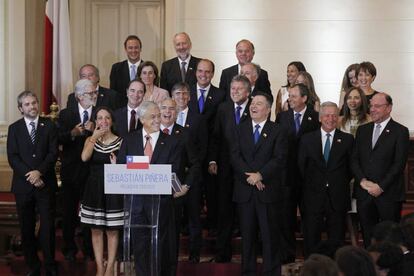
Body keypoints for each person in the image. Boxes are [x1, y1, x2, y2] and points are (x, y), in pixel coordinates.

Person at [117, 101, 183, 276]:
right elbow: (123, 165)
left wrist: (145, 170)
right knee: (140, 245)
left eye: (158, 116)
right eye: (153, 117)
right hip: (136, 202)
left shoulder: (172, 142)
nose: (157, 120)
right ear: (142, 119)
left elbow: (174, 170)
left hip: (161, 203)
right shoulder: (130, 139)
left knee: (161, 244)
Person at [231, 92, 287, 275]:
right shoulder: (240, 129)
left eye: (259, 103)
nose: (253, 106)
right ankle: (248, 272)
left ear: (268, 109)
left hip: (268, 191)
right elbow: (235, 156)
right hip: (245, 191)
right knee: (247, 237)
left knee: (269, 236)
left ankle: (271, 272)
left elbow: (279, 159)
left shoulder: (277, 130)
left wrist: (260, 175)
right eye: (252, 103)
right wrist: (252, 177)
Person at [7, 91, 58, 276]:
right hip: (23, 186)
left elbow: (53, 154)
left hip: (45, 184)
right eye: (27, 104)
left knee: (48, 226)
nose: (32, 106)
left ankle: (51, 265)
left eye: (34, 103)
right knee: (26, 227)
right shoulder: (14, 129)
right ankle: (33, 266)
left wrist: (39, 172)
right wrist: (31, 176)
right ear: (21, 109)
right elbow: (13, 157)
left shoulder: (50, 126)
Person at [352, 93, 409, 247]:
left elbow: (398, 165)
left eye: (378, 106)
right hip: (364, 193)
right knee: (367, 236)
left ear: (389, 108)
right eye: (371, 106)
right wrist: (362, 181)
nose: (373, 109)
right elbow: (354, 159)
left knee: (390, 239)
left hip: (388, 195)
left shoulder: (400, 131)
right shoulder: (362, 130)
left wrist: (381, 186)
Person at [298, 102, 354, 256]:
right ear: (320, 118)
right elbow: (301, 167)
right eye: (327, 115)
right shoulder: (307, 139)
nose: (331, 119)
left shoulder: (348, 140)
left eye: (335, 115)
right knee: (311, 238)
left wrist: (335, 181)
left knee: (337, 239)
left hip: (337, 197)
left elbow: (351, 168)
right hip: (312, 196)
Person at [208, 75, 251, 262]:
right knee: (224, 211)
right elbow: (216, 137)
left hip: (247, 171)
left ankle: (249, 254)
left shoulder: (255, 107)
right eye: (232, 88)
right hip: (225, 169)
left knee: (247, 213)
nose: (234, 92)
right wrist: (212, 160)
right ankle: (222, 252)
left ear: (248, 92)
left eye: (239, 89)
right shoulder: (223, 108)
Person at [275, 83, 320, 263]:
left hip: (309, 176)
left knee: (310, 219)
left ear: (304, 98)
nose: (290, 99)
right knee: (286, 218)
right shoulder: (281, 117)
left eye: (294, 96)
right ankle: (287, 254)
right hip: (286, 176)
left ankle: (312, 256)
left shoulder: (315, 117)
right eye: (289, 96)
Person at [79, 107, 123, 276]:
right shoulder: (90, 139)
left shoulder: (121, 141)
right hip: (94, 189)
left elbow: (127, 167)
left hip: (113, 188)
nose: (103, 121)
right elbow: (84, 158)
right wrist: (94, 138)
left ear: (112, 121)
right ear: (95, 121)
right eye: (99, 118)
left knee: (112, 230)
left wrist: (117, 165)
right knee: (96, 230)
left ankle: (110, 266)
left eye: (107, 118)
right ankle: (99, 267)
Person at [58, 79, 97, 261]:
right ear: (79, 96)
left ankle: (90, 249)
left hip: (91, 171)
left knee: (89, 211)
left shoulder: (99, 114)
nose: (93, 95)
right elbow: (58, 138)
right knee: (68, 212)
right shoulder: (66, 114)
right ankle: (69, 248)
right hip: (70, 171)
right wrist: (72, 134)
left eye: (94, 92)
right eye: (90, 93)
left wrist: (94, 130)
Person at [159, 97, 199, 271]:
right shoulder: (150, 132)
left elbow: (195, 163)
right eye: (164, 108)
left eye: (172, 109)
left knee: (171, 236)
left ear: (177, 113)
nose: (168, 112)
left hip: (175, 193)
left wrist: (186, 186)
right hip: (151, 192)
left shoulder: (184, 134)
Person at [171, 82, 208, 262]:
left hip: (192, 175)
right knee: (174, 219)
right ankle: (173, 253)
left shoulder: (198, 118)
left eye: (185, 94)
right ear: (172, 96)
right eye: (178, 94)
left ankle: (194, 255)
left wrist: (191, 172)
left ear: (190, 97)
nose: (181, 97)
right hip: (171, 177)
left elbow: (202, 148)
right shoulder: (165, 118)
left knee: (194, 217)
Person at [110, 35, 143, 105]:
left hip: (143, 108)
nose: (133, 51)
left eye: (136, 48)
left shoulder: (147, 68)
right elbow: (113, 93)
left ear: (140, 49)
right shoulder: (116, 68)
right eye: (130, 48)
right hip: (121, 109)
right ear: (125, 49)